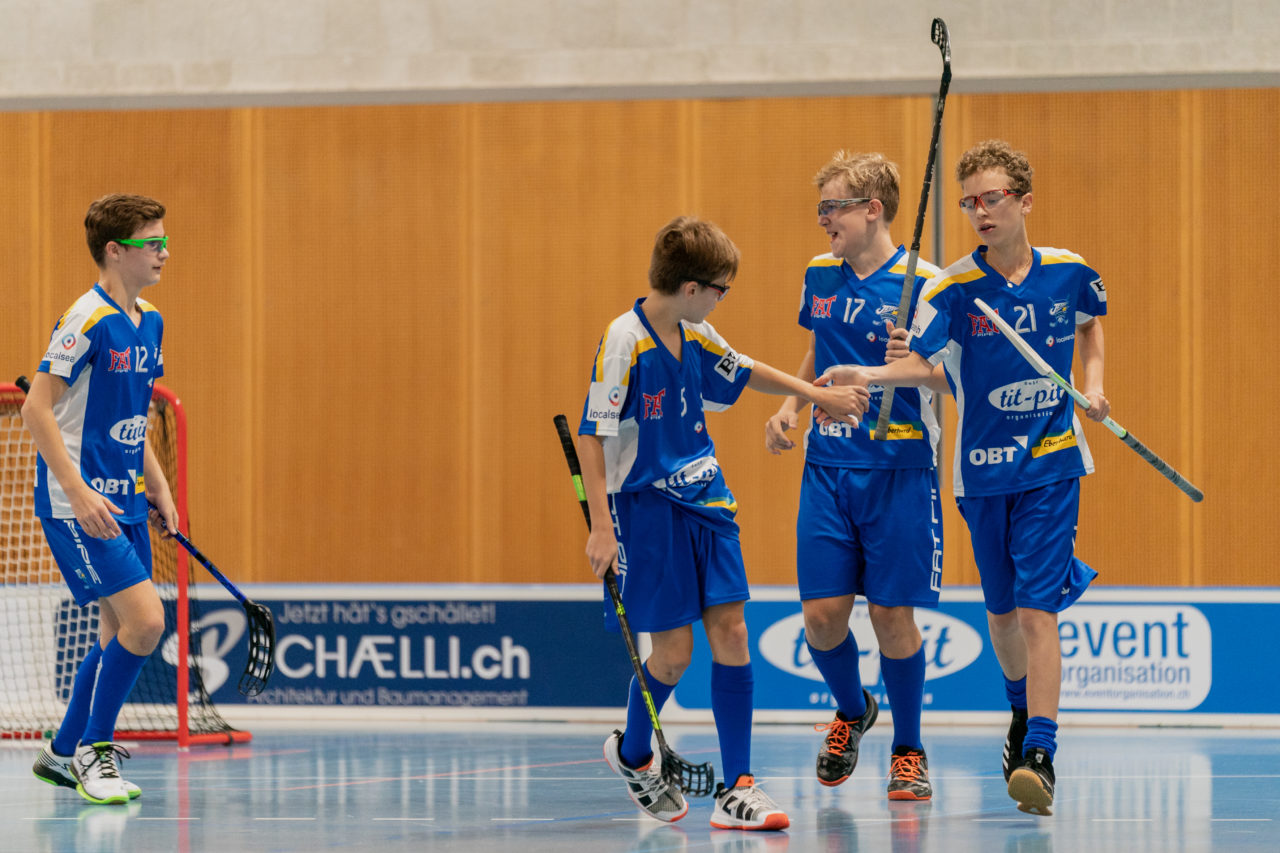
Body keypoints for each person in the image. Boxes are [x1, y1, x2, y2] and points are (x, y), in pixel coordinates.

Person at [814, 139, 1108, 816]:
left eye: (993, 198)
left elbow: (1091, 327)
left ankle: (1040, 749)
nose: (980, 211)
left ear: (1024, 201)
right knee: (1002, 614)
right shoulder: (951, 287)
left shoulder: (1070, 273)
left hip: (1054, 462)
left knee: (1038, 611)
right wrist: (872, 372)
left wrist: (1094, 386)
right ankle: (1016, 713)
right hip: (980, 474)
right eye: (969, 202)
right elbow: (928, 367)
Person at [577, 215, 868, 831]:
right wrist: (602, 525)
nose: (720, 300)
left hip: (708, 501)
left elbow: (747, 368)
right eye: (719, 289)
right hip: (647, 510)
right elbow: (593, 435)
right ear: (690, 287)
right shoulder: (623, 340)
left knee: (732, 635)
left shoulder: (697, 332)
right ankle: (633, 754)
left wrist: (816, 397)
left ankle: (738, 786)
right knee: (675, 654)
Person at [763, 151, 946, 802]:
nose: (823, 222)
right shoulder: (820, 273)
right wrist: (792, 403)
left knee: (893, 615)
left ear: (873, 209)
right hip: (828, 467)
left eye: (832, 208)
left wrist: (909, 363)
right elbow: (818, 343)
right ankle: (851, 707)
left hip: (899, 470)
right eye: (820, 209)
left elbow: (948, 375)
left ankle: (909, 747)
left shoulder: (928, 282)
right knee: (820, 616)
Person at [23, 194, 179, 805]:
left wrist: (160, 488)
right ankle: (94, 750)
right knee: (146, 625)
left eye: (166, 241)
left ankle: (64, 753)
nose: (164, 252)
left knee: (119, 632)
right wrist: (78, 489)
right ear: (115, 250)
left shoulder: (152, 320)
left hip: (130, 500)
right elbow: (37, 407)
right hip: (81, 506)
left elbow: (132, 414)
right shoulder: (84, 320)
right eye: (152, 243)